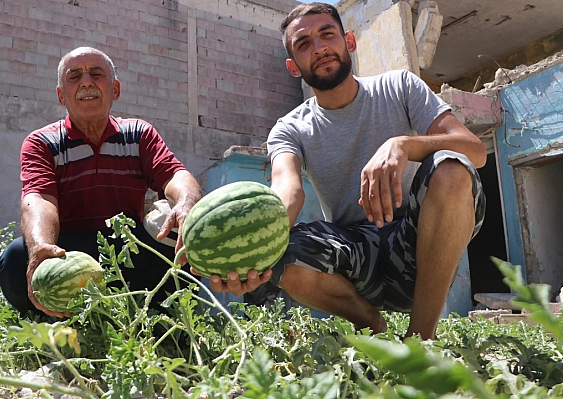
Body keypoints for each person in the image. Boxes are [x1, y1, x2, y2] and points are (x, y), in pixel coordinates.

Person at [208, 3, 487, 340]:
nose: (319, 48)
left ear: (349, 42)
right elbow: (288, 191)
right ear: (293, 67)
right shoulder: (289, 129)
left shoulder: (399, 86)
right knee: (287, 257)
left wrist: (403, 145)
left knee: (452, 171)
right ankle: (369, 322)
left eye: (327, 35)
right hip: (354, 258)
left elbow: (474, 148)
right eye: (304, 44)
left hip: (417, 245)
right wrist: (250, 256)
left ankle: (420, 342)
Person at [0, 47, 202, 318]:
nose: (86, 82)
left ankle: (166, 322)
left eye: (96, 73)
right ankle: (51, 322)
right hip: (68, 254)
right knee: (15, 258)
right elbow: (39, 200)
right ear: (61, 96)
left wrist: (186, 205)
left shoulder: (138, 134)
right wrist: (41, 246)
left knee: (182, 233)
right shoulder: (41, 142)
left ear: (115, 89)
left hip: (128, 253)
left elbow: (175, 174)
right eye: (74, 76)